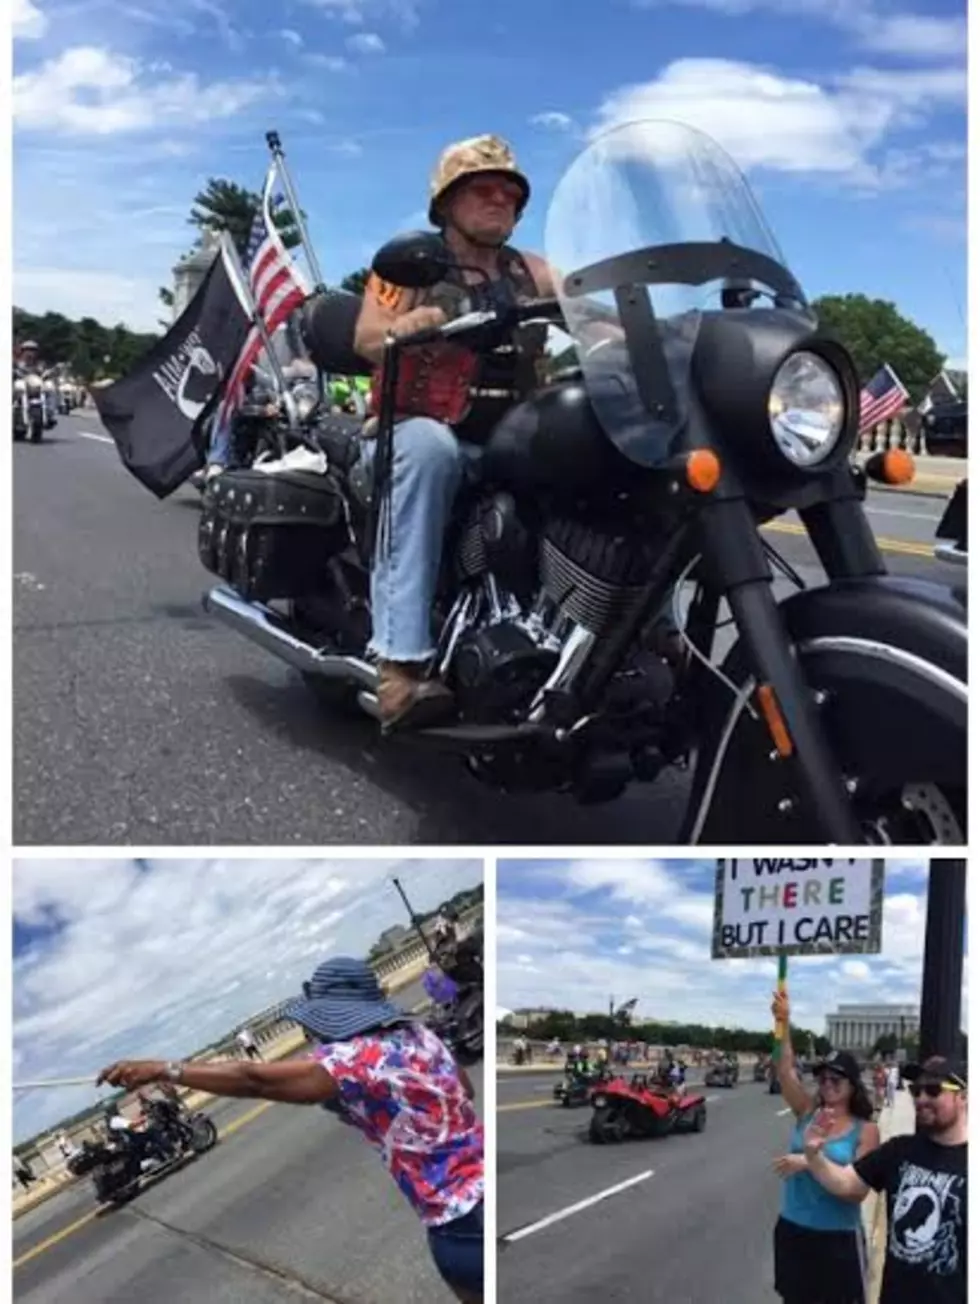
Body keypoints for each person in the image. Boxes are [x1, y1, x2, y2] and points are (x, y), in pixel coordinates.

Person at [96, 956, 484, 1303]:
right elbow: (462, 1090)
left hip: (458, 1222)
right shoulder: (418, 1034)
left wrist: (164, 1069)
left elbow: (254, 1080)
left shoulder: (353, 1060)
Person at [352, 134, 560, 730]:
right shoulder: (414, 263)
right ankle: (400, 665)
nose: (499, 200)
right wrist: (403, 327)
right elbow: (366, 335)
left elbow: (595, 302)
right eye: (482, 190)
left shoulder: (534, 271)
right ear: (446, 203)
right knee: (430, 449)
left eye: (509, 193)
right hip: (414, 433)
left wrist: (638, 318)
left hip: (508, 441)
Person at [803, 1055, 967, 1304]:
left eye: (933, 1090)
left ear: (964, 1096)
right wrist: (814, 1155)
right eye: (916, 1090)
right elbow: (847, 1183)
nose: (921, 1099)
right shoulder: (898, 1151)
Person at [770, 989, 879, 1304]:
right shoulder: (806, 1112)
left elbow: (856, 1190)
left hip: (838, 1241)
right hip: (793, 1229)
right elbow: (785, 1069)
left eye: (837, 1080)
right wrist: (783, 1023)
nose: (827, 1084)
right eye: (823, 1079)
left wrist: (808, 1161)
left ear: (853, 1085)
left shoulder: (866, 1130)